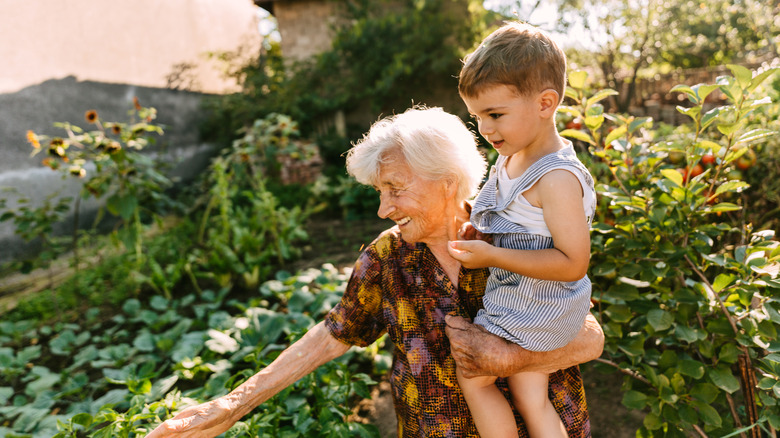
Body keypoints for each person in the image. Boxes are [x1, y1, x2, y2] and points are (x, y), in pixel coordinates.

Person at [146, 107, 603, 438]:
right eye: (379, 192)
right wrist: (232, 405)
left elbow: (590, 336)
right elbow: (332, 334)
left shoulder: (515, 233)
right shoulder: (388, 260)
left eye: (395, 189)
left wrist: (512, 358)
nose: (384, 209)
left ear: (446, 179)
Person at [446, 22, 597, 438]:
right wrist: (483, 234)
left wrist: (494, 256)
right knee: (532, 397)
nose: (486, 130)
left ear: (545, 103)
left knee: (473, 376)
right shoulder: (511, 158)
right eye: (477, 117)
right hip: (527, 297)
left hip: (541, 304)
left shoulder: (556, 179)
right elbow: (511, 217)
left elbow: (573, 263)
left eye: (495, 115)